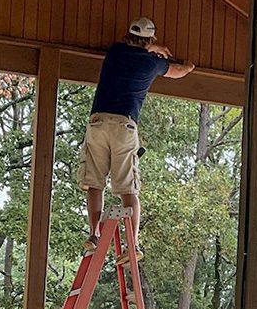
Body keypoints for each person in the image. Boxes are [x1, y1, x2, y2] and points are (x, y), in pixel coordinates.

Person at [77, 17, 195, 258]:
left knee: (94, 182)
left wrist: (153, 47)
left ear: (128, 36)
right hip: (124, 125)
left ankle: (94, 233)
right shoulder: (152, 64)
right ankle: (134, 245)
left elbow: (134, 47)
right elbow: (179, 72)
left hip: (98, 122)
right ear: (150, 40)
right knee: (128, 188)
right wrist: (189, 65)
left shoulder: (115, 51)